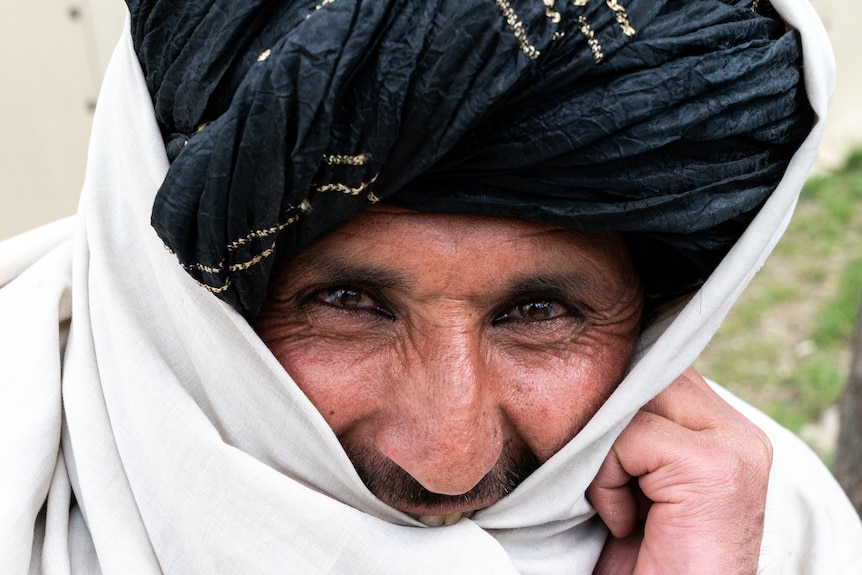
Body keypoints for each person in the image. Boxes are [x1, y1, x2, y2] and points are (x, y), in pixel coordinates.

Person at [1, 0, 860, 574]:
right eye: (345, 303)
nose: (449, 464)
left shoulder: (759, 529)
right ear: (170, 293)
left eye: (539, 313)